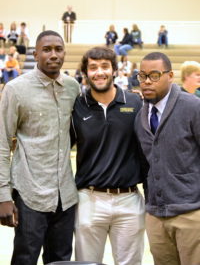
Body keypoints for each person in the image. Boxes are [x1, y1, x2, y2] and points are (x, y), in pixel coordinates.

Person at [0, 30, 80, 265]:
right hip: (30, 194)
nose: (53, 55)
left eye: (58, 49)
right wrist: (3, 195)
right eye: (47, 50)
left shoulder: (72, 88)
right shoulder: (15, 89)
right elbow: (3, 142)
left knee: (60, 260)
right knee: (25, 259)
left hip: (65, 194)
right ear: (35, 54)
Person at [71, 46, 145, 265]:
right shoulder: (76, 107)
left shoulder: (135, 103)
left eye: (105, 66)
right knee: (86, 263)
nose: (99, 72)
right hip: (89, 199)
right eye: (93, 67)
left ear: (114, 70)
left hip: (129, 199)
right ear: (85, 73)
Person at [135, 51, 200, 265]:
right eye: (142, 76)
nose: (147, 82)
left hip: (191, 213)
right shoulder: (141, 117)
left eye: (154, 75)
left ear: (170, 75)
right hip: (156, 215)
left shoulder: (192, 107)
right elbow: (147, 165)